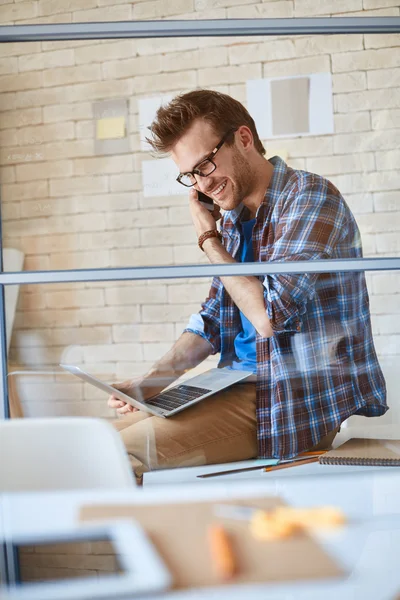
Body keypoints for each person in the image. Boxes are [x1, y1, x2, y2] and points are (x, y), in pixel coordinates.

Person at [108, 89, 387, 481]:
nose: (202, 184)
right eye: (190, 175)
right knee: (93, 438)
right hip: (234, 385)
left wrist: (209, 240)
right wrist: (152, 381)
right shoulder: (235, 219)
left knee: (112, 456)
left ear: (243, 138)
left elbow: (269, 316)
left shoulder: (309, 198)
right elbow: (213, 320)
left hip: (287, 398)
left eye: (205, 164)